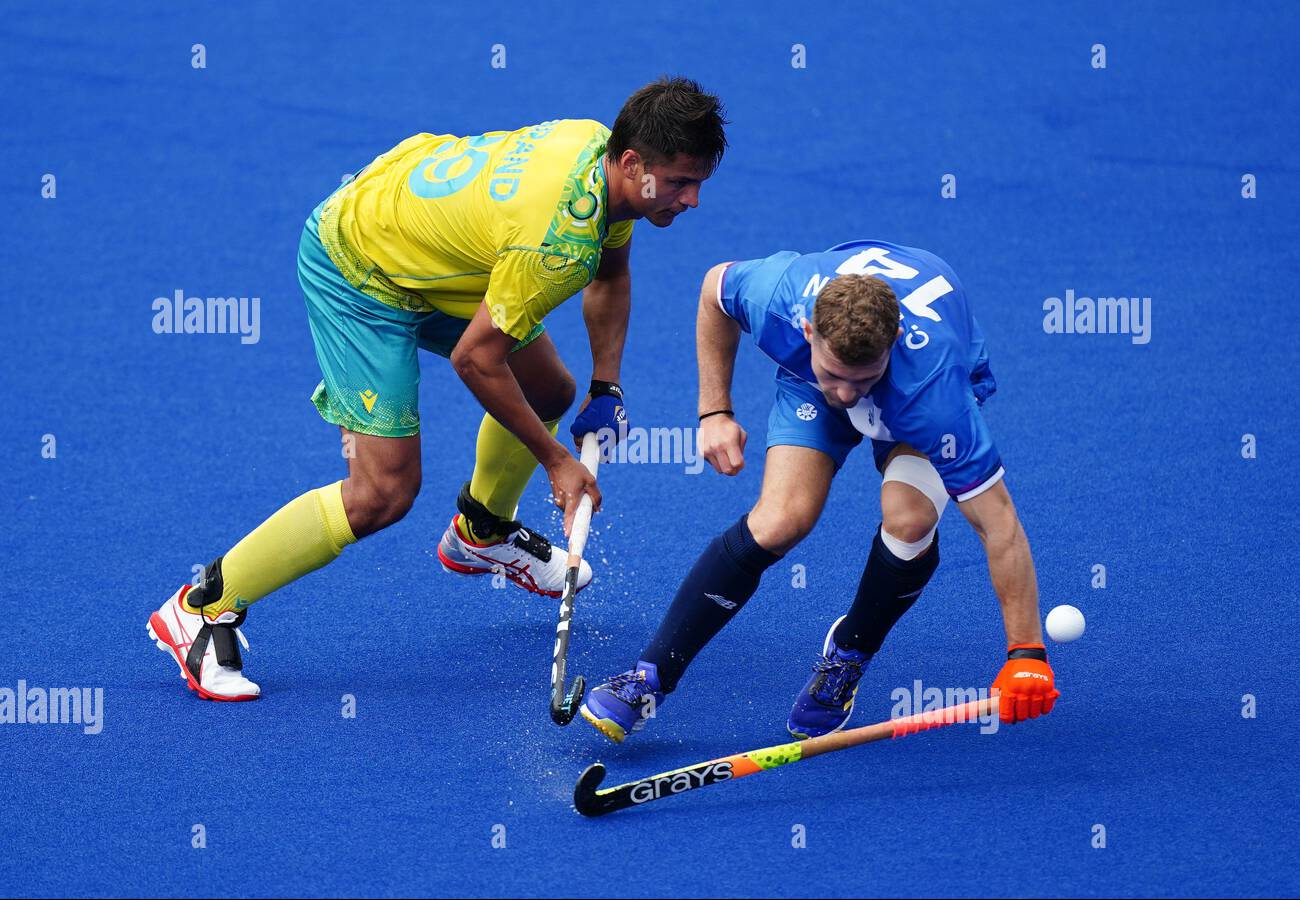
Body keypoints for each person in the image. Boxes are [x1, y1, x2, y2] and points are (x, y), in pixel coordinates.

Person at [147, 78, 728, 701]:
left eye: (698, 183)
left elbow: (611, 273)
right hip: (359, 266)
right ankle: (202, 606)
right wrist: (556, 461)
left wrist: (604, 387)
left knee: (549, 392)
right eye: (678, 182)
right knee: (384, 491)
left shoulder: (600, 154)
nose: (692, 200)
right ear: (633, 163)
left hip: (431, 245)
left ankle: (481, 531)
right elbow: (475, 361)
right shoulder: (556, 242)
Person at [581, 241, 1059, 741]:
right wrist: (715, 411)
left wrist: (1026, 654)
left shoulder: (939, 398)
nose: (848, 394)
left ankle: (850, 651)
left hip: (910, 401)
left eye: (861, 379)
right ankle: (650, 676)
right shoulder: (778, 298)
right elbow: (712, 290)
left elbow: (999, 524)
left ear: (894, 339)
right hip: (809, 386)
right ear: (807, 329)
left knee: (911, 521)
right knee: (780, 521)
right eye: (837, 375)